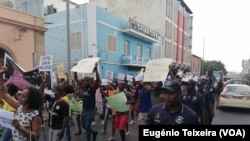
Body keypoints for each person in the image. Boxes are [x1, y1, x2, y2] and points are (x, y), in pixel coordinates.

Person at [0, 66, 43, 141]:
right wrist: (0, 75)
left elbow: (36, 136)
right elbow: (4, 94)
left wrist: (20, 127)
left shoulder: (35, 115)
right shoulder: (19, 107)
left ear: (30, 100)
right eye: (20, 94)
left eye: (23, 96)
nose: (19, 97)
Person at [74, 62, 100, 141]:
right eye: (84, 80)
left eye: (87, 81)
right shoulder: (83, 86)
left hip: (91, 110)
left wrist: (96, 70)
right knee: (84, 126)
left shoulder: (92, 88)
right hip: (84, 110)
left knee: (87, 125)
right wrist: (76, 69)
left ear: (90, 82)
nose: (85, 82)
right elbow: (76, 79)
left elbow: (97, 80)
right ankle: (94, 132)